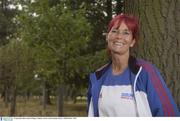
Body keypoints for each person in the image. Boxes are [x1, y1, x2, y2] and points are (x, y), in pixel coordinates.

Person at [87, 14, 180, 117]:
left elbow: (169, 114)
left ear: (132, 42)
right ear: (107, 37)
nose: (119, 36)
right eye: (114, 31)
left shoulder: (146, 72)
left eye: (126, 33)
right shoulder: (97, 77)